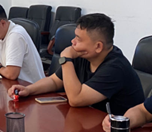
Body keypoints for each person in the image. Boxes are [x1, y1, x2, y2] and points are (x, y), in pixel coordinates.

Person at [8, 14, 144, 114]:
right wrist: (29, 90)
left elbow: (76, 99)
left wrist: (66, 59)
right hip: (91, 120)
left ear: (98, 46)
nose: (73, 42)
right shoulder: (84, 54)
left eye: (78, 39)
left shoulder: (116, 67)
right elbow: (54, 81)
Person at [0, 1, 45, 84]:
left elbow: (11, 74)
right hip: (16, 85)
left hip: (31, 87)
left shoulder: (15, 35)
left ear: (2, 23)